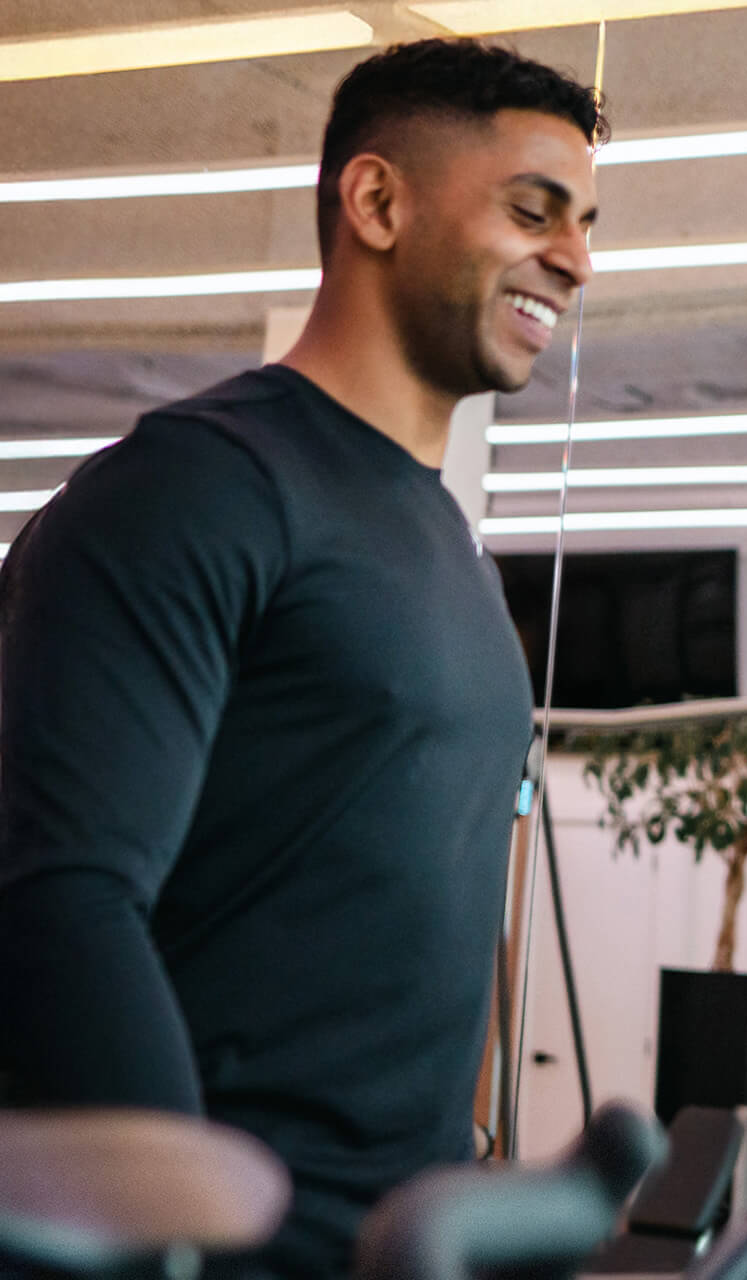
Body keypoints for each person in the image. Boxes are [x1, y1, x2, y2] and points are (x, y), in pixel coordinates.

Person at [0, 39, 603, 1278]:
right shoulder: (194, 491)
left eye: (588, 224)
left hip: (397, 1239)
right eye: (532, 209)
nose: (576, 259)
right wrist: (191, 1231)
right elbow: (59, 893)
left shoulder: (446, 543)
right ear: (376, 202)